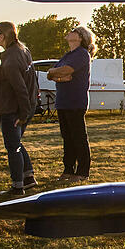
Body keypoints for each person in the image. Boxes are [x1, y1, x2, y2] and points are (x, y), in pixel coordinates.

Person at [0, 22, 39, 195]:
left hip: (13, 109)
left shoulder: (11, 60)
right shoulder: (23, 51)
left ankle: (17, 186)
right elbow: (31, 82)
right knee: (16, 142)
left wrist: (23, 114)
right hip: (25, 106)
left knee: (12, 146)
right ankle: (28, 177)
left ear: (3, 35)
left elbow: (20, 88)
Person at [48, 26, 94, 182]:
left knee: (78, 137)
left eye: (74, 30)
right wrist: (58, 75)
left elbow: (66, 70)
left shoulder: (82, 54)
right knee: (67, 137)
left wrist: (57, 73)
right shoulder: (67, 55)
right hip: (63, 101)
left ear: (80, 37)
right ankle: (68, 170)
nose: (70, 32)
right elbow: (51, 74)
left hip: (75, 101)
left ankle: (82, 172)